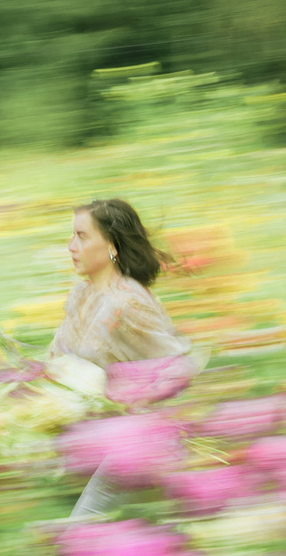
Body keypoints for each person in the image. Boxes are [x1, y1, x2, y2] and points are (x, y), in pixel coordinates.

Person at [44, 197, 193, 521]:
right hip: (101, 442)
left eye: (82, 237)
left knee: (80, 537)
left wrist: (127, 398)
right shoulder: (81, 295)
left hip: (141, 443)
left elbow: (179, 368)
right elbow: (57, 360)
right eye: (72, 236)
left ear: (111, 245)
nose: (71, 246)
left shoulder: (128, 301)